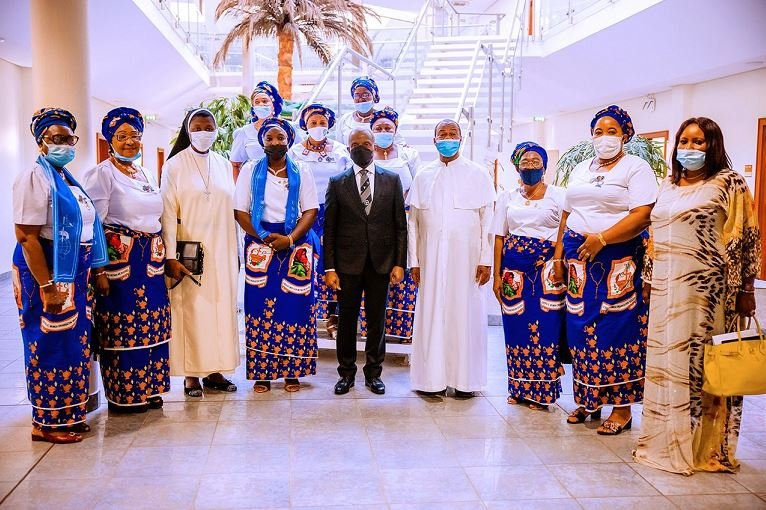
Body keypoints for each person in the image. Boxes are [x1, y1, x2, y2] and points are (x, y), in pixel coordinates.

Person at [634, 117, 761, 474]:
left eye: (699, 141)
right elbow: (655, 237)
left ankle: (701, 445)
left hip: (707, 293)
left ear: (713, 145)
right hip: (664, 290)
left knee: (699, 367)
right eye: (684, 141)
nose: (690, 148)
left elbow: (747, 237)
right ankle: (662, 438)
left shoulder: (729, 183)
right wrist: (648, 276)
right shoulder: (669, 185)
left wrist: (747, 288)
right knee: (665, 365)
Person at [551, 105, 657, 435]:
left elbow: (642, 215)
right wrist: (558, 256)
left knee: (616, 329)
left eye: (612, 132)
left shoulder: (636, 168)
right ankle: (588, 399)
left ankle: (622, 408)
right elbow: (567, 214)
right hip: (578, 259)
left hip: (618, 259)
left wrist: (602, 238)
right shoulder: (582, 168)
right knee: (582, 329)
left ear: (626, 134)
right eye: (598, 132)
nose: (604, 138)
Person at [12, 108, 109, 443]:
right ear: (42, 142)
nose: (66, 144)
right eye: (57, 138)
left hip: (74, 273)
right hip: (48, 272)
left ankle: (68, 414)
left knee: (72, 343)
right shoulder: (34, 177)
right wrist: (46, 285)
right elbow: (26, 236)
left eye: (69, 138)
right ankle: (46, 422)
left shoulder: (68, 178)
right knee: (48, 341)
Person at [83, 107, 170, 413]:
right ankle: (124, 395)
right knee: (121, 324)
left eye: (134, 135)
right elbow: (93, 223)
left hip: (151, 261)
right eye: (122, 136)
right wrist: (100, 270)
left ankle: (149, 388)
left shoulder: (145, 172)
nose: (130, 142)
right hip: (120, 262)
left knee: (152, 323)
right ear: (110, 140)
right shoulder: (101, 174)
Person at [408, 119, 495, 398]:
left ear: (462, 138)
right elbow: (413, 223)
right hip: (430, 259)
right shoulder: (423, 175)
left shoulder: (478, 174)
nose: (448, 138)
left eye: (452, 134)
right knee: (431, 313)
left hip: (467, 260)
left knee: (465, 313)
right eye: (442, 134)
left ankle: (465, 381)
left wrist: (486, 259)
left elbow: (488, 221)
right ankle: (429, 380)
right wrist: (415, 261)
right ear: (434, 141)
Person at [235, 118, 320, 392]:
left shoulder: (302, 170)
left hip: (295, 243)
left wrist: (291, 239)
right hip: (260, 242)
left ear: (289, 141)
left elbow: (310, 209)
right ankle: (263, 372)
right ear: (262, 142)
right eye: (269, 138)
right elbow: (240, 210)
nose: (275, 143)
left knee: (294, 307)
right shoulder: (249, 170)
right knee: (260, 306)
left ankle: (292, 371)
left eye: (280, 138)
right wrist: (263, 238)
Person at [161, 108, 240, 397]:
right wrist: (170, 255)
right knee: (192, 310)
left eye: (209, 127)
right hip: (189, 250)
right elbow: (168, 213)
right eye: (198, 127)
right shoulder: (174, 165)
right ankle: (191, 374)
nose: (204, 132)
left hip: (223, 249)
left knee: (220, 309)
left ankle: (216, 370)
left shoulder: (221, 163)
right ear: (187, 130)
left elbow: (233, 208)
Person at [324, 127, 407, 395]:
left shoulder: (392, 180)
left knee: (376, 321)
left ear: (374, 146)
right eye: (355, 143)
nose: (361, 147)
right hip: (347, 265)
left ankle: (374, 373)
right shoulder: (337, 182)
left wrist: (399, 263)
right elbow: (330, 229)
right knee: (347, 320)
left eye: (366, 143)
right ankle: (346, 373)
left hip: (381, 263)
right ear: (348, 149)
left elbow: (400, 226)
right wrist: (330, 267)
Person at [491, 142, 566, 409]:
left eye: (536, 161)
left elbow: (563, 234)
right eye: (525, 162)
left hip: (545, 272)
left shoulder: (558, 196)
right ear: (517, 167)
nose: (530, 166)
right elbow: (499, 237)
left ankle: (543, 393)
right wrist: (497, 276)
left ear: (545, 166)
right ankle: (519, 388)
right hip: (513, 272)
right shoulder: (506, 197)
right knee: (516, 331)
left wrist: (558, 260)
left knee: (546, 330)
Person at [290, 103, 350, 338]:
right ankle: (305, 314)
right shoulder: (294, 152)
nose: (318, 126)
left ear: (329, 125)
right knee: (305, 262)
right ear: (305, 125)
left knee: (333, 264)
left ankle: (334, 316)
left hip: (335, 213)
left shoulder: (341, 151)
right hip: (304, 213)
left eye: (322, 123)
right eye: (313, 123)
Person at [362, 106, 421, 342]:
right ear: (371, 131)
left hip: (402, 220)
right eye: (378, 128)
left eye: (388, 128)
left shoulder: (409, 154)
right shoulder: (363, 155)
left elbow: (419, 186)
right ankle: (373, 331)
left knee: (402, 272)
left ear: (395, 130)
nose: (383, 131)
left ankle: (404, 329)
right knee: (372, 274)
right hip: (370, 224)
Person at [230, 81, 283, 180]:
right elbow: (235, 164)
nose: (261, 105)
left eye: (265, 101)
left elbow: (298, 159)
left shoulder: (287, 129)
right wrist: (241, 191)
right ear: (253, 107)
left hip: (284, 185)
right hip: (255, 186)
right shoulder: (244, 132)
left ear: (273, 104)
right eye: (257, 102)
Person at [336, 76, 404, 146]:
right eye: (357, 95)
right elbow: (340, 147)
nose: (361, 99)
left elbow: (400, 144)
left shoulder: (384, 119)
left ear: (374, 96)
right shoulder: (345, 120)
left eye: (366, 94)